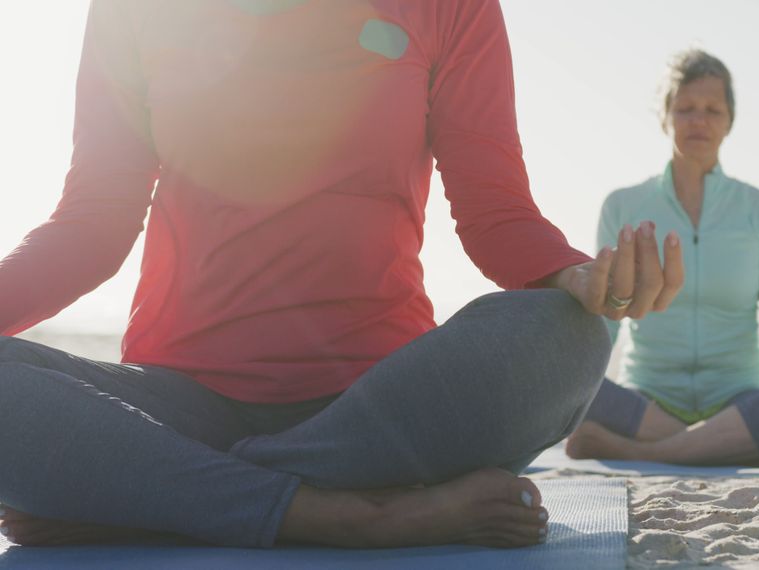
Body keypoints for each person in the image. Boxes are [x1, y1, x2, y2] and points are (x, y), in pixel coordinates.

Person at [0, 0, 683, 550]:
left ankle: (152, 495)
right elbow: (90, 226)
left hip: (382, 405)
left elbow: (495, 213)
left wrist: (575, 277)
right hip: (181, 403)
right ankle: (354, 515)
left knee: (570, 333)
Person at [566, 49, 759, 467]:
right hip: (647, 401)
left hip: (739, 401)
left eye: (712, 109)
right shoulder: (623, 207)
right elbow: (604, 325)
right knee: (560, 379)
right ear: (666, 117)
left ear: (729, 122)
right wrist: (565, 364)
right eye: (685, 109)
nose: (699, 120)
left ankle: (644, 452)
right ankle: (748, 448)